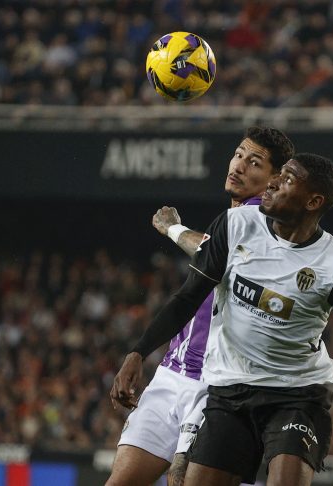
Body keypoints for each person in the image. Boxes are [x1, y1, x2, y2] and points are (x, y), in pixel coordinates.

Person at [113, 153, 333, 486]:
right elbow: (187, 298)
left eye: (287, 180)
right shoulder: (235, 225)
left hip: (296, 397)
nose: (272, 183)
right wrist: (138, 352)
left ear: (313, 201)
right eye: (279, 174)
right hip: (230, 392)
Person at [107, 126, 295, 486]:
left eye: (254, 162)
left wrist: (173, 229)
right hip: (173, 372)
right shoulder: (229, 220)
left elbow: (213, 250)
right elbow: (191, 290)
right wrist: (140, 352)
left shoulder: (268, 221)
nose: (239, 166)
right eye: (238, 155)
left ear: (274, 179)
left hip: (219, 384)